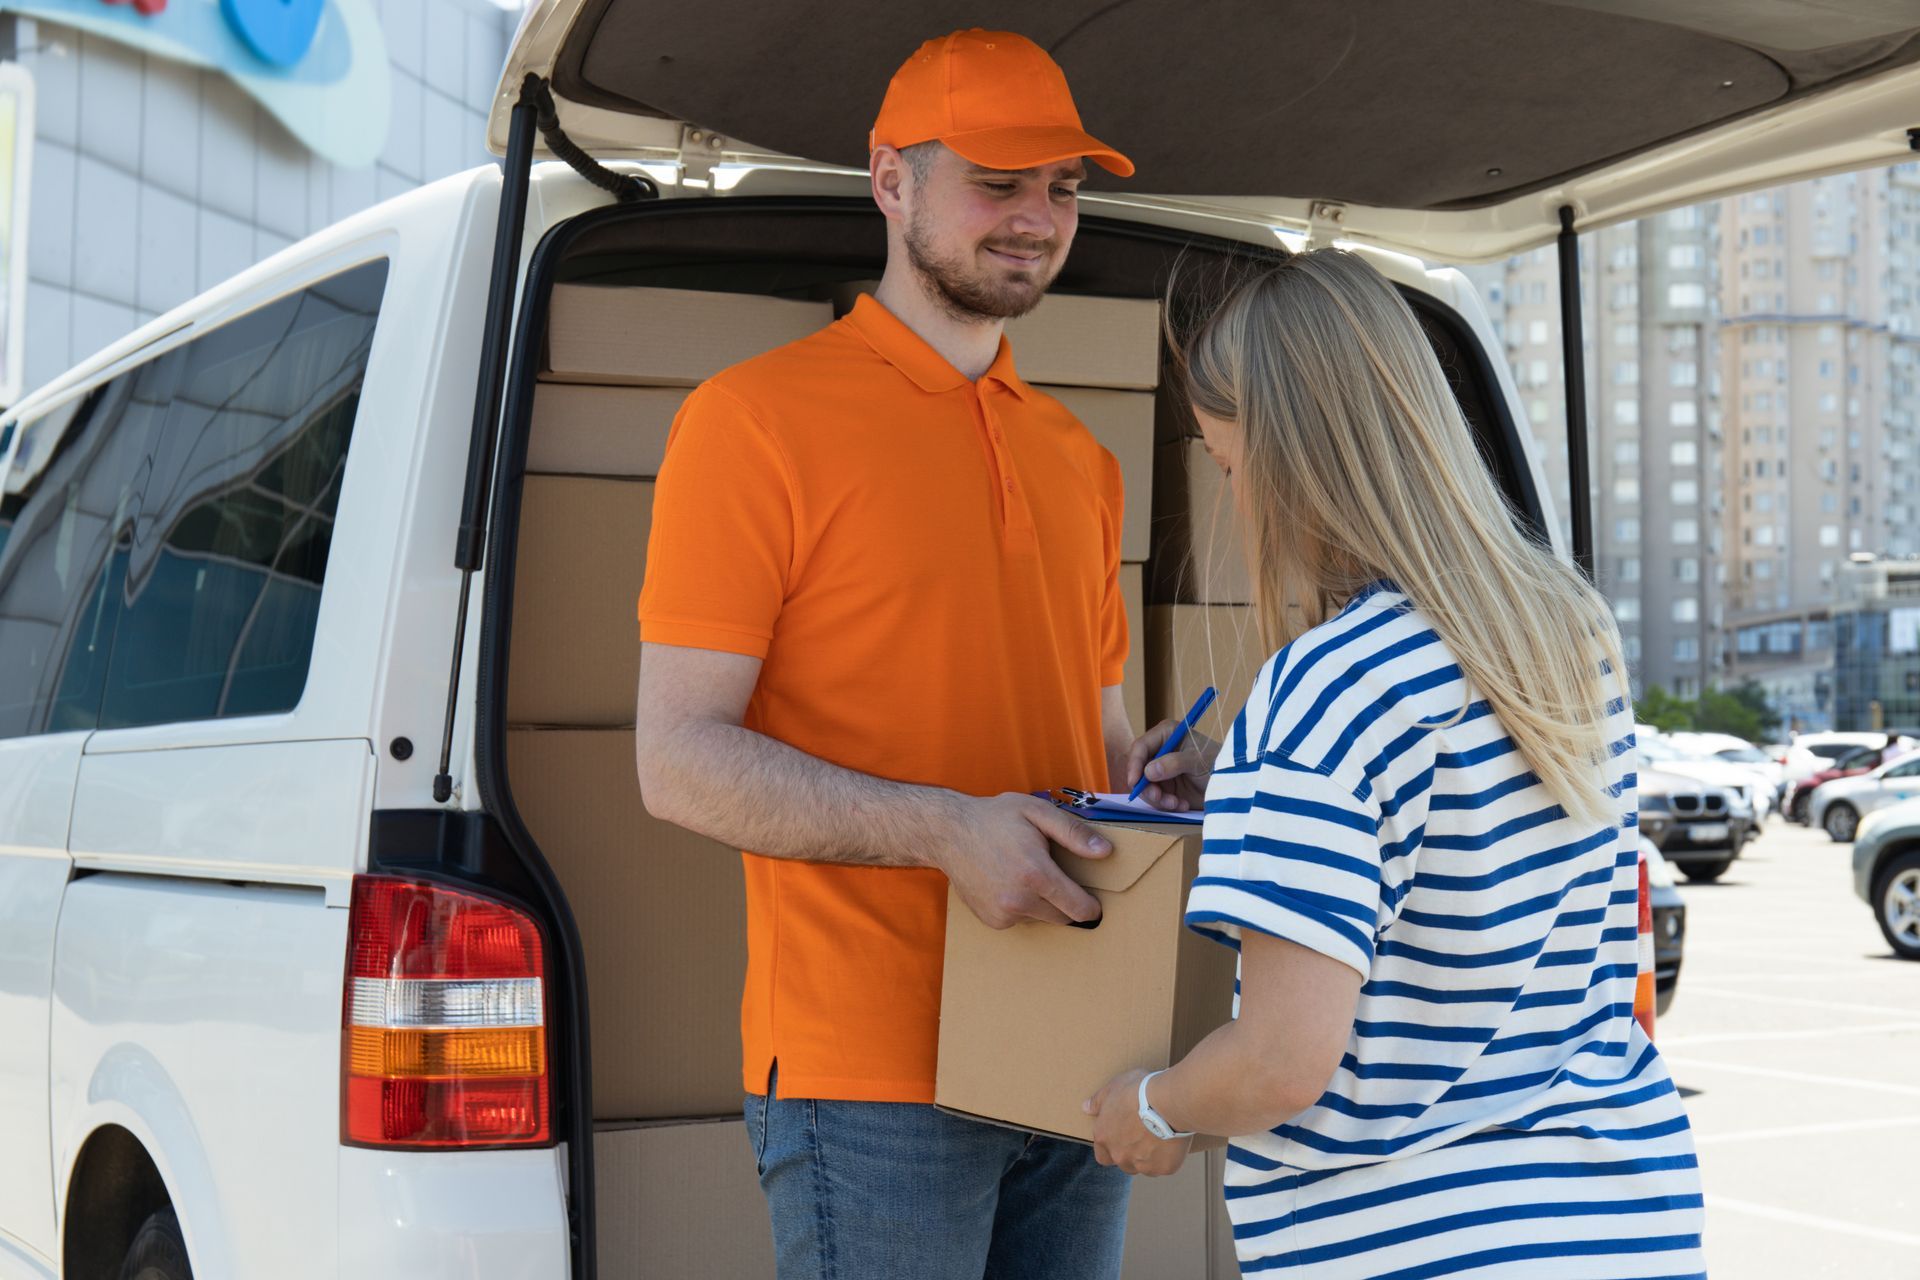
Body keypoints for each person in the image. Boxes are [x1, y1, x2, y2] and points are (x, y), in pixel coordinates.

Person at [1086, 250, 1708, 1277]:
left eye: (1231, 468)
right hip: (1620, 1222)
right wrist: (1244, 784)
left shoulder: (1323, 688)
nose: (1237, 504)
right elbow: (1466, 830)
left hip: (1419, 1240)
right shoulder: (1569, 633)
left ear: (1293, 463)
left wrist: (1151, 1105)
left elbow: (1280, 1063)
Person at [634, 28, 1143, 1280]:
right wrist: (945, 829)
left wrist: (1161, 794)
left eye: (1062, 187)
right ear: (890, 180)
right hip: (867, 1074)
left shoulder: (1080, 460)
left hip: (1076, 1042)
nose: (1038, 218)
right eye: (999, 181)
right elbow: (677, 760)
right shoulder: (752, 421)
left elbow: (1102, 736)